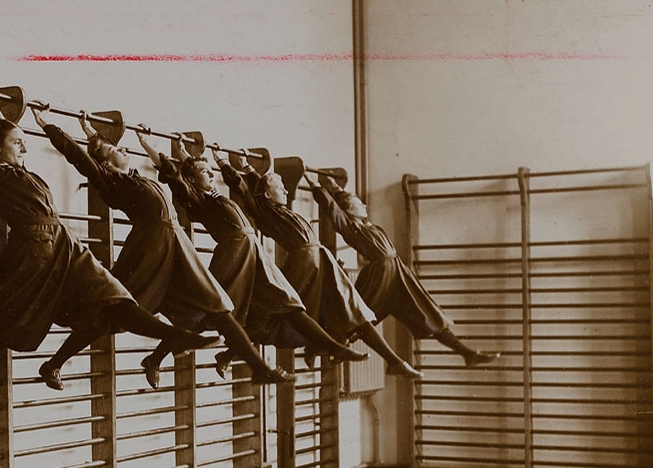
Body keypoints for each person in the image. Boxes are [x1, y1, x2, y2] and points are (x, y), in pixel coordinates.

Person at [0, 78, 216, 406]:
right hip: (31, 254)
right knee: (4, 325)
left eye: (24, 142)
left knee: (115, 297)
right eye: (18, 143)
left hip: (65, 246)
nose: (25, 149)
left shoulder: (23, 172)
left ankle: (175, 336)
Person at [29, 107, 294, 388]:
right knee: (110, 310)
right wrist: (49, 125)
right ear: (106, 162)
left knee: (220, 308)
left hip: (178, 249)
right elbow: (80, 157)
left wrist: (90, 130)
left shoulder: (139, 178)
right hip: (149, 251)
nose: (124, 151)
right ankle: (53, 364)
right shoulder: (111, 181)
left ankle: (259, 367)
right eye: (116, 150)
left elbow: (165, 169)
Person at [137, 132, 367, 377]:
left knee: (290, 305)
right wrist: (146, 145)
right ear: (192, 180)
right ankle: (155, 358)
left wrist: (188, 153)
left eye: (210, 171)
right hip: (233, 255)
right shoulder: (196, 199)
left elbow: (204, 173)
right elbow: (172, 174)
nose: (211, 174)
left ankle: (334, 347)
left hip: (253, 252)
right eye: (205, 172)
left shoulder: (215, 195)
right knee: (210, 311)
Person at [215, 149, 422, 378]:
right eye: (279, 186)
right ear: (266, 195)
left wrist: (248, 168)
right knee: (272, 315)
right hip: (304, 265)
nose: (285, 189)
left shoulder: (280, 208)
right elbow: (246, 191)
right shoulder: (266, 211)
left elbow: (259, 186)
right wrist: (225, 163)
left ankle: (394, 361)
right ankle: (228, 354)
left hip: (321, 262)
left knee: (354, 310)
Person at [309, 174, 499, 368]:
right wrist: (317, 188)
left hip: (398, 273)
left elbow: (343, 202)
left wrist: (336, 189)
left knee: (429, 315)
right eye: (359, 204)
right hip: (380, 276)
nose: (364, 206)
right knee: (356, 319)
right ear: (350, 211)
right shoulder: (351, 227)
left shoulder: (371, 226)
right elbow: (334, 210)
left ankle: (466, 352)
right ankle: (319, 346)